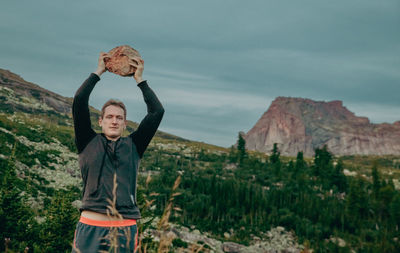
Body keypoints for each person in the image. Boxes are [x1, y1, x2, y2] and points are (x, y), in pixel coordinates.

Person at [71, 52, 164, 252]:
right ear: (101, 121)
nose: (114, 121)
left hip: (124, 229)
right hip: (90, 227)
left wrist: (140, 80)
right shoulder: (87, 141)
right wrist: (99, 71)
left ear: (124, 124)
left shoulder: (134, 145)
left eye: (119, 118)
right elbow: (79, 100)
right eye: (110, 117)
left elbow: (157, 112)